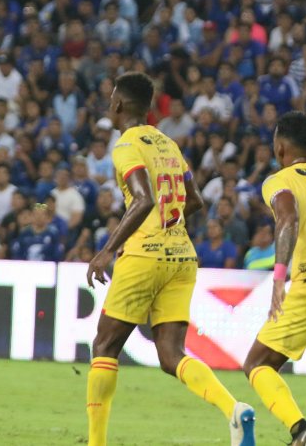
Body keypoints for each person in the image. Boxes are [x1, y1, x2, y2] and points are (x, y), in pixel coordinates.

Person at [85, 72, 255, 446]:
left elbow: (143, 199)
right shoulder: (168, 144)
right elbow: (194, 200)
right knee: (171, 354)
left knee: (105, 347)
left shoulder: (126, 145)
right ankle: (234, 410)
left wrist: (107, 249)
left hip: (143, 256)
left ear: (118, 104)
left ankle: (96, 443)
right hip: (181, 256)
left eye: (111, 98)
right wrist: (168, 224)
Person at [242, 111, 306, 446]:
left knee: (258, 363)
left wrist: (278, 277)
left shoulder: (279, 181)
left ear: (279, 149)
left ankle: (301, 430)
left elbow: (288, 218)